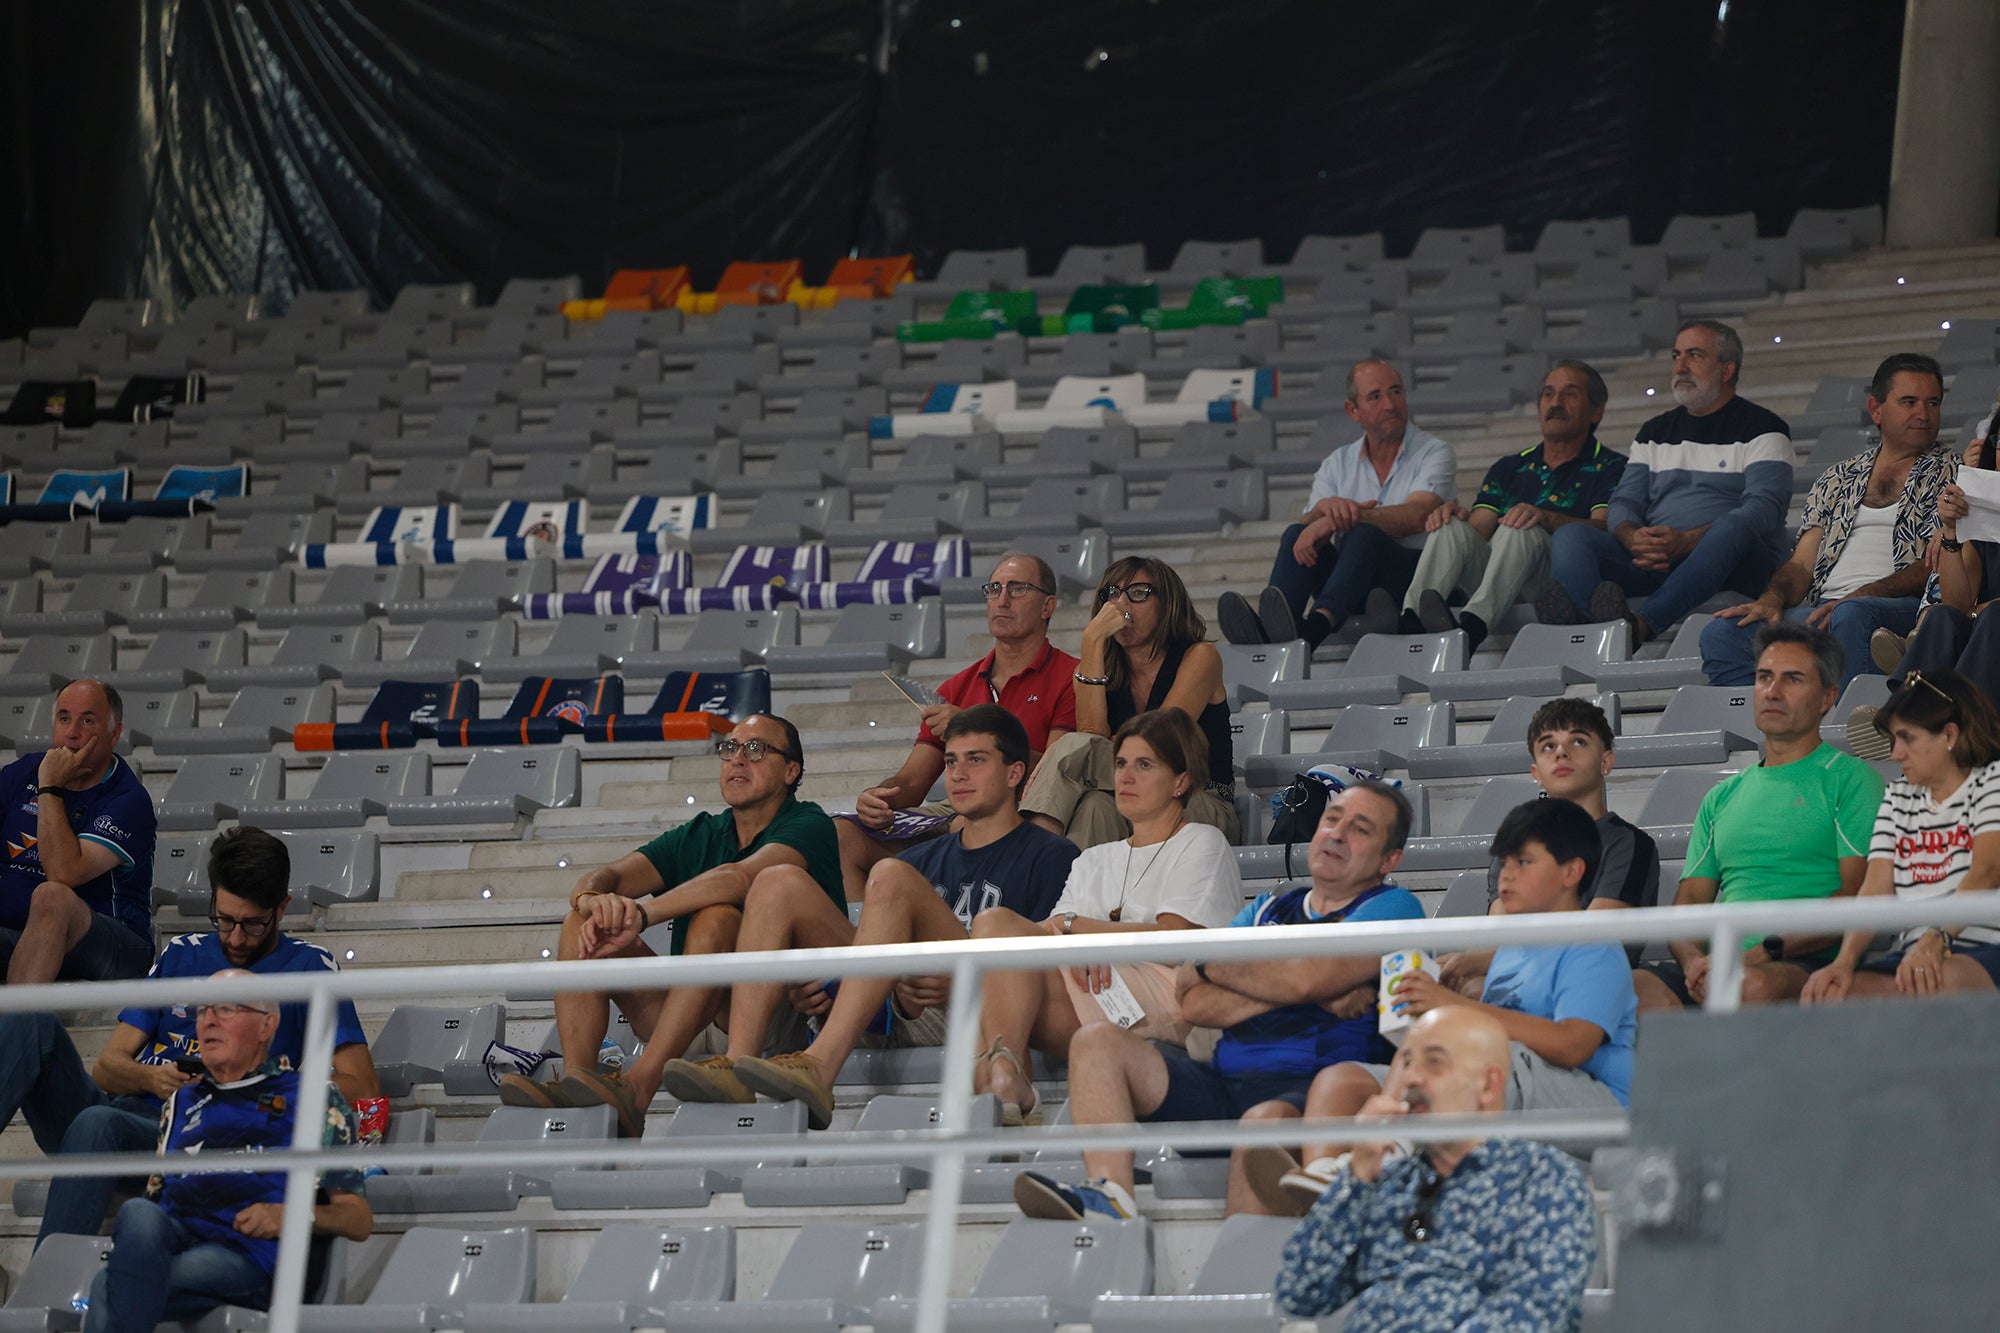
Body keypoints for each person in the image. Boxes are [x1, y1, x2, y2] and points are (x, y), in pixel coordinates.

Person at [1012, 781, 1424, 1222]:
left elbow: (1309, 977)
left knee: (1263, 1122)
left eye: (1360, 829)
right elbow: (1192, 996)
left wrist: (1237, 972)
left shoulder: (1395, 906)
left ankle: (1239, 1275)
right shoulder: (1266, 908)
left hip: (1314, 1095)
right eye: (1332, 819)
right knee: (1097, 1043)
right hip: (1225, 1085)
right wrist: (1297, 990)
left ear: (1389, 859)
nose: (1337, 834)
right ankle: (1110, 1196)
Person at [658, 704, 1079, 1128]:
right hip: (901, 1005)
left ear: (1014, 773)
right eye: (950, 761)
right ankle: (738, 1062)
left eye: (976, 760)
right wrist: (830, 986)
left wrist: (959, 979)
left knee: (889, 875)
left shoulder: (1052, 855)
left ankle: (822, 1064)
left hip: (984, 1016)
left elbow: (1048, 982)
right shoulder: (921, 858)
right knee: (777, 881)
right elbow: (883, 961)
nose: (958, 774)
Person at [1258, 799, 1636, 1212]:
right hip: (1511, 1086)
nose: (1506, 875)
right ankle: (1329, 1187)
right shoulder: (1510, 950)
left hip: (1593, 1108)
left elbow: (1573, 1045)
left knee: (1483, 1053)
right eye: (1504, 862)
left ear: (1571, 872)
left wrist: (1454, 1008)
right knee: (1343, 1080)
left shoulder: (1592, 943)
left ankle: (1384, 1158)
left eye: (1523, 862)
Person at [11, 826, 377, 1247]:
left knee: (98, 1124)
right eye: (224, 920)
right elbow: (108, 1067)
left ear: (282, 908)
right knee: (29, 1020)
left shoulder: (309, 968)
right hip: (125, 1112)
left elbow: (361, 1085)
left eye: (253, 925)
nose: (236, 938)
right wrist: (152, 1079)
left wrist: (251, 1088)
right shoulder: (181, 953)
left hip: (196, 1137)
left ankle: (49, 1286)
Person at [498, 713, 842, 1135]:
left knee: (716, 916)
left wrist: (640, 915)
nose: (738, 760)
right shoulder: (702, 832)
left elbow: (737, 878)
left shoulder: (809, 823)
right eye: (730, 749)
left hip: (771, 1021)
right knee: (579, 924)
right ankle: (579, 1084)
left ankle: (639, 1087)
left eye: (756, 750)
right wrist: (596, 902)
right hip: (694, 1017)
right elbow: (602, 879)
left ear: (791, 771)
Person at [971, 709, 1243, 1125]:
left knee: (990, 984)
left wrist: (1084, 932)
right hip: (1092, 982)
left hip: (1172, 994)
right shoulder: (1094, 858)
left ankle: (1000, 1086)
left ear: (1181, 782)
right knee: (992, 927)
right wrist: (1078, 936)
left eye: (1144, 765)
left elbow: (1174, 937)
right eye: (1120, 764)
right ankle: (1006, 1077)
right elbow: (1053, 930)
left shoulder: (1202, 841)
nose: (1126, 777)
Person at [1272, 1007, 1597, 1332]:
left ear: (1488, 1085)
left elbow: (1537, 1311)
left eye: (1434, 1063)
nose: (1411, 1077)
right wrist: (1355, 1178)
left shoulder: (1542, 1179)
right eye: (1408, 1061)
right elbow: (1299, 1294)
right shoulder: (1389, 1183)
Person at [80, 974, 372, 1333]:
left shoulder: (312, 1098)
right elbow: (154, 1209)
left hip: (248, 1253)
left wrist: (290, 1215)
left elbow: (358, 1219)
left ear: (267, 1025)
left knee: (106, 1287)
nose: (208, 1021)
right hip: (178, 1239)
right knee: (138, 1211)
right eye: (202, 1011)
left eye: (226, 1008)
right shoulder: (180, 1102)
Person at [1635, 623, 1884, 1010]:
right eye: (1764, 677)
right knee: (1623, 990)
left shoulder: (1853, 780)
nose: (1772, 691)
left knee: (1747, 987)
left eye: (1793, 679)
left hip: (1801, 961)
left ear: (1826, 698)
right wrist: (1695, 964)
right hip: (1720, 966)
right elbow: (1688, 905)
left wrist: (1757, 955)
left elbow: (1855, 896)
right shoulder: (1721, 797)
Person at [1700, 353, 1954, 688]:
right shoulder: (1838, 477)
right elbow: (1801, 565)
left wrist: (1862, 595)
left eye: (1932, 403)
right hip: (1826, 611)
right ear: (1876, 409)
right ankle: (1777, 730)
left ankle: (1848, 732)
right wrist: (1772, 599)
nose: (1923, 414)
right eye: (1909, 402)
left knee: (1852, 616)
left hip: (1902, 609)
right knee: (1721, 633)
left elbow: (1938, 565)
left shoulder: (1956, 474)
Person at [836, 551, 1077, 900]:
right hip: (955, 813)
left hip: (1022, 808)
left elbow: (1057, 771)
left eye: (1018, 589)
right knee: (843, 835)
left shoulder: (1071, 677)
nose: (1002, 600)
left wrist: (970, 727)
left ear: (1048, 606)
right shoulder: (957, 687)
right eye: (994, 589)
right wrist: (878, 797)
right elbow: (911, 782)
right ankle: (871, 947)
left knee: (969, 821)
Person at [1542, 319, 1793, 646]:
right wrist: (1633, 537)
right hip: (1658, 558)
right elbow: (1624, 502)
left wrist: (1688, 540)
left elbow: (1763, 511)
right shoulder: (1654, 432)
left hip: (1734, 561)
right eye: (1676, 356)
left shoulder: (1764, 428)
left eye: (1695, 356)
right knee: (1572, 535)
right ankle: (1586, 631)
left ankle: (1639, 627)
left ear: (1727, 369)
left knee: (1732, 528)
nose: (1681, 366)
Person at [1217, 359, 1455, 647]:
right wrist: (1320, 512)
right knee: (1296, 534)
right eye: (1375, 397)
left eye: (1395, 392)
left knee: (1363, 534)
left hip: (1414, 580)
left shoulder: (1435, 451)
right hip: (1355, 583)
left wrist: (1343, 518)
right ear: (1352, 410)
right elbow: (1306, 531)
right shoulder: (1337, 463)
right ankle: (1277, 627)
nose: (1390, 404)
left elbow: (1419, 515)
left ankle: (1313, 629)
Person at [1398, 361, 1625, 652]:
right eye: (1547, 394)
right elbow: (1478, 529)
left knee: (1521, 528)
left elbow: (1605, 529)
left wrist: (1547, 517)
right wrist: (1454, 515)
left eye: (1569, 395)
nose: (1555, 403)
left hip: (1554, 584)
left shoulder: (1612, 467)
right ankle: (1411, 621)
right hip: (1500, 575)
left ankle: (1473, 627)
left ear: (1596, 411)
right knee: (1450, 528)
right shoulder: (1510, 467)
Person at [1803, 669, 2000, 1003]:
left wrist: (1936, 938)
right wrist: (1843, 963)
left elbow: (1987, 871)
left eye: (1907, 738)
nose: (1895, 754)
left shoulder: (1993, 781)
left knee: (1924, 986)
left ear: (1949, 735)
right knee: (1830, 994)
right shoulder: (1898, 797)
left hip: (1987, 947)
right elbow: (1874, 890)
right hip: (1914, 956)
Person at [1439, 697, 1659, 996]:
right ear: (1536, 773)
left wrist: (1481, 961)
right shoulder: (1514, 848)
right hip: (1523, 977)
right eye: (1548, 746)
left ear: (1606, 762)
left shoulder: (1629, 844)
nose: (1562, 753)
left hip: (1590, 985)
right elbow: (1499, 937)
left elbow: (1593, 943)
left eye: (1578, 742)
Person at [1021, 557, 1237, 847]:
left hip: (1198, 802)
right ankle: (1055, 882)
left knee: (1070, 747)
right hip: (1130, 800)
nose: (1120, 606)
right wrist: (1093, 642)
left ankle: (1032, 853)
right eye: (1111, 594)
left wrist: (1064, 750)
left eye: (1138, 593)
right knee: (1094, 806)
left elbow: (1157, 742)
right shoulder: (1093, 668)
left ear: (1168, 603)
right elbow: (1093, 737)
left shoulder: (1200, 657)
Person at [1859, 413, 2000, 754]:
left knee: (1996, 617)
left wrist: (1988, 608)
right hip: (1989, 635)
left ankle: (1948, 724)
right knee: (1940, 617)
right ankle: (1905, 716)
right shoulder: (1987, 510)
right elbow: (1957, 602)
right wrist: (1952, 534)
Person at [0, 679, 155, 984]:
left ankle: (16, 1028)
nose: (72, 734)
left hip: (114, 941)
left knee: (53, 897)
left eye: (87, 721)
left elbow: (64, 873)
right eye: (64, 718)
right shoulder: (22, 772)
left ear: (115, 733)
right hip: (18, 931)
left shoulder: (129, 800)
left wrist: (50, 787)